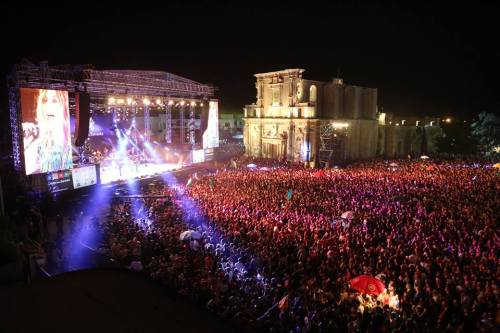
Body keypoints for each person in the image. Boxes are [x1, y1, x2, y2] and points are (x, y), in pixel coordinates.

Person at [22, 89, 72, 174]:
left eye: (54, 100)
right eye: (44, 100)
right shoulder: (33, 149)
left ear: (64, 105)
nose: (48, 106)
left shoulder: (72, 144)